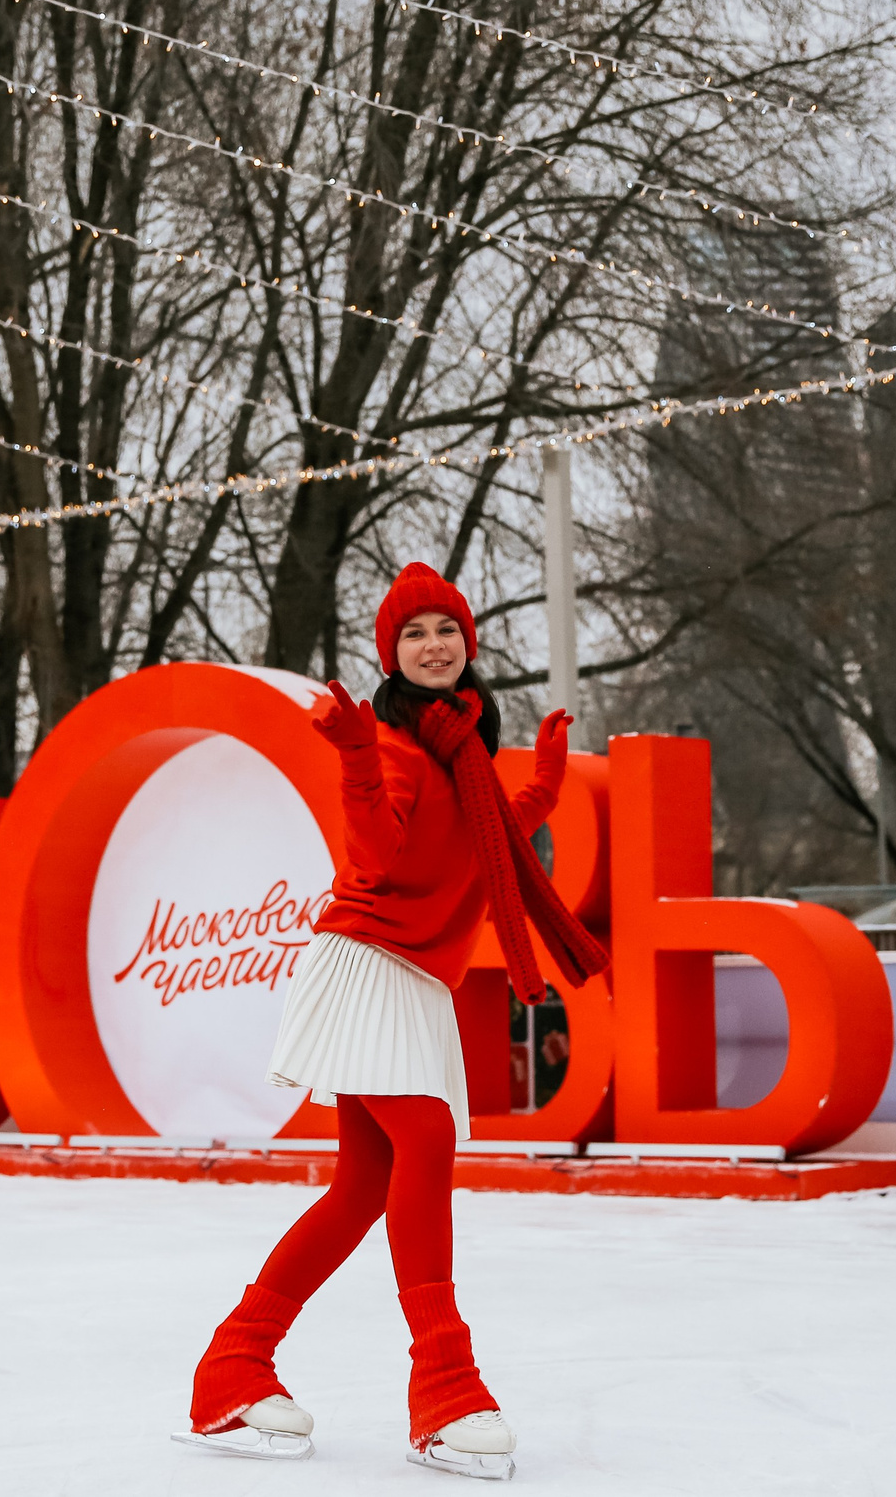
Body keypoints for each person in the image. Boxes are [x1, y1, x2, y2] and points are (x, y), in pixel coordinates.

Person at [173, 563, 608, 1480]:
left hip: (416, 981)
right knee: (427, 1138)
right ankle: (444, 1385)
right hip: (369, 962)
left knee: (362, 1185)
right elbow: (375, 855)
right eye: (414, 635)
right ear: (392, 657)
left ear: (469, 643)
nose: (434, 644)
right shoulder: (400, 749)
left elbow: (487, 825)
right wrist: (356, 757)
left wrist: (552, 781)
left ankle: (232, 1366)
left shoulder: (464, 753)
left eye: (446, 628)